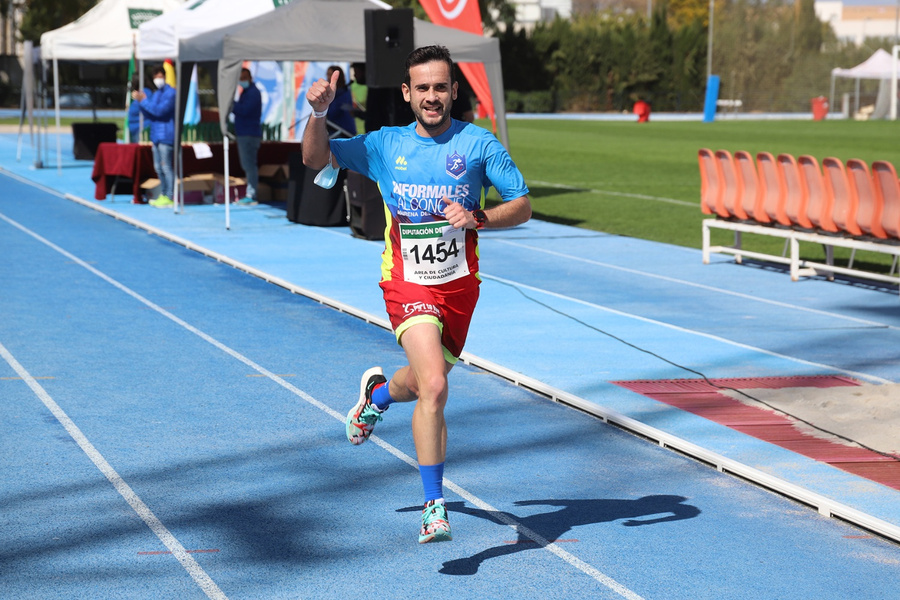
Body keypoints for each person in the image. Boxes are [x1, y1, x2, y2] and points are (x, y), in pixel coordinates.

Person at [303, 45, 531, 544]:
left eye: (441, 87)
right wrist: (319, 114)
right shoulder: (386, 145)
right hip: (406, 283)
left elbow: (522, 204)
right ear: (407, 93)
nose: (432, 96)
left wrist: (480, 217)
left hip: (459, 289)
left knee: (425, 383)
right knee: (436, 387)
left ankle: (377, 395)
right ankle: (434, 506)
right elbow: (316, 158)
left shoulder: (478, 144)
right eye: (422, 88)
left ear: (454, 90)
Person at [133, 65, 176, 208]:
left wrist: (144, 102)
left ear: (164, 76)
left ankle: (170, 195)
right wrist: (141, 103)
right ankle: (163, 194)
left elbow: (160, 111)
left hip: (166, 134)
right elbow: (150, 113)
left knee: (166, 167)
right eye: (155, 77)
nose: (158, 79)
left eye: (160, 76)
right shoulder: (157, 93)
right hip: (156, 134)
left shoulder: (171, 93)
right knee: (158, 167)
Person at [231, 68, 263, 205]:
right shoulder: (247, 92)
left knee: (249, 165)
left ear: (249, 77)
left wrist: (231, 104)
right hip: (245, 132)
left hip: (249, 133)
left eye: (244, 78)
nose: (242, 81)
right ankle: (251, 192)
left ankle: (252, 194)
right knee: (247, 165)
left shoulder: (253, 93)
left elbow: (244, 110)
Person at [324, 65, 356, 138]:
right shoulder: (339, 92)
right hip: (335, 131)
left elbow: (332, 112)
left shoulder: (344, 93)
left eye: (330, 75)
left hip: (345, 132)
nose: (328, 78)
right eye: (327, 74)